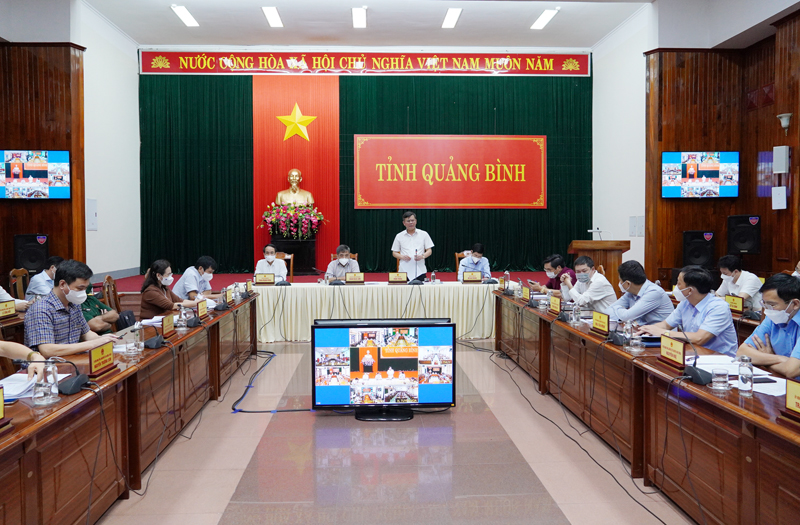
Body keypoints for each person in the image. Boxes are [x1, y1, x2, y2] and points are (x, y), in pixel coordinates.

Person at [23, 260, 119, 358]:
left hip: (72, 360)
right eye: (80, 288)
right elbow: (47, 350)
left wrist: (102, 339)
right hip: (48, 365)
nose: (83, 293)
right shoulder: (41, 309)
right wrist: (92, 344)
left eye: (85, 288)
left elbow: (86, 334)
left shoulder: (74, 305)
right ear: (62, 284)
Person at [638, 265, 738, 357]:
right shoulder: (685, 303)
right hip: (693, 354)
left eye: (679, 283)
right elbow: (665, 324)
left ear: (690, 290)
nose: (676, 287)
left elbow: (699, 338)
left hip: (719, 361)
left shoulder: (718, 307)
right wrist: (644, 331)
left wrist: (664, 332)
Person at [736, 273, 800, 378]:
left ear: (795, 304)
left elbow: (791, 370)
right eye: (764, 304)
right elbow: (741, 352)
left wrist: (764, 360)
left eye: (772, 305)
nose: (767, 310)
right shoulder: (772, 318)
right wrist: (777, 358)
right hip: (778, 380)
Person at [608, 260, 674, 325]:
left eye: (620, 281)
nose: (619, 283)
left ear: (628, 283)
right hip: (642, 329)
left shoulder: (654, 292)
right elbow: (607, 312)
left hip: (661, 331)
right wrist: (622, 314)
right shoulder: (630, 292)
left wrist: (617, 308)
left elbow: (626, 316)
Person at [391, 211, 434, 281]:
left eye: (412, 220)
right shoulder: (399, 236)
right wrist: (402, 257)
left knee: (420, 288)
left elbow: (429, 250)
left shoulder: (424, 234)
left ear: (416, 221)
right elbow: (394, 253)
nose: (411, 222)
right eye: (408, 221)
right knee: (403, 288)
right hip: (404, 270)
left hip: (420, 270)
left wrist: (422, 256)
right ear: (404, 223)